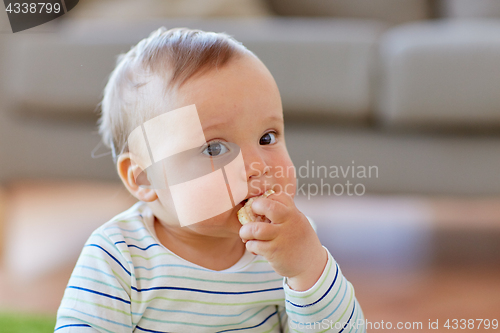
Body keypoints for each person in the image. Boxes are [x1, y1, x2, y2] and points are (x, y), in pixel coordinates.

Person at [55, 27, 365, 332]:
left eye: (267, 137)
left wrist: (307, 269)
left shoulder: (286, 248)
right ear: (145, 178)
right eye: (214, 148)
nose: (257, 166)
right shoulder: (119, 256)